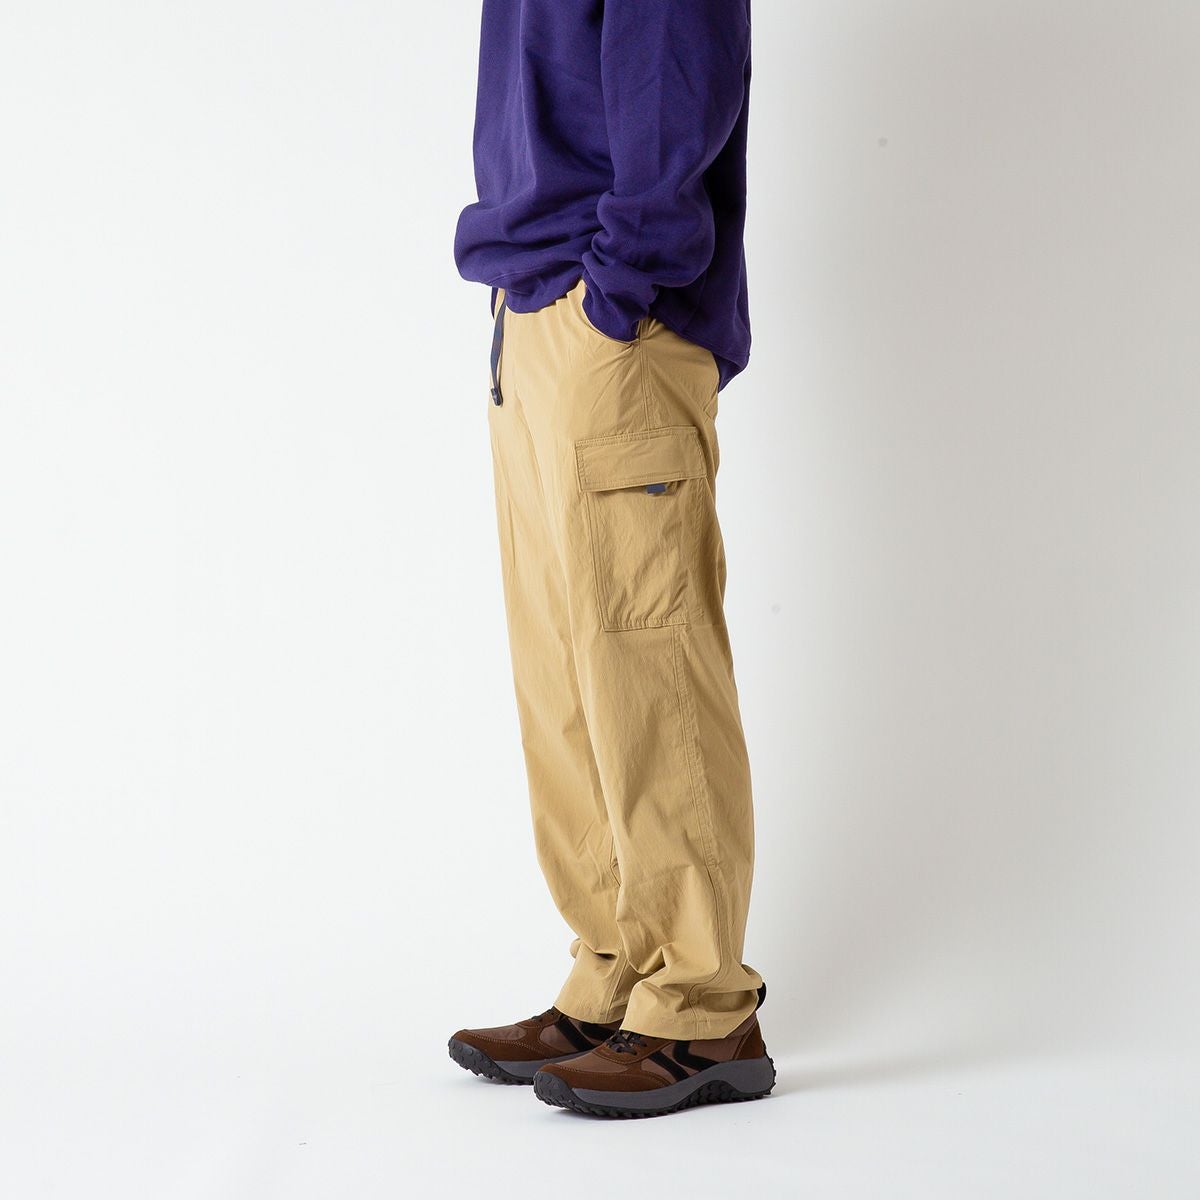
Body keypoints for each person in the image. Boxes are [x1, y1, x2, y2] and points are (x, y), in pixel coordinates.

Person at [447, 0, 772, 1118]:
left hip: (615, 323)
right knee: (564, 679)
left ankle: (701, 1003)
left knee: (648, 668)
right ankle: (617, 972)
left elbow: (676, 90)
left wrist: (617, 294)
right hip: (533, 310)